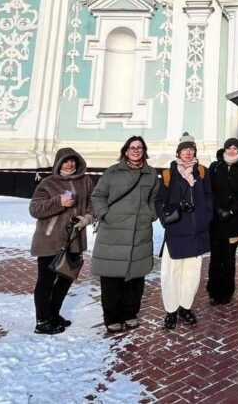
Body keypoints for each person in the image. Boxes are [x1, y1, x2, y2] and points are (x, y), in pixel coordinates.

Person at [91, 137, 159, 333]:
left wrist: (150, 214)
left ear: (144, 151)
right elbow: (98, 196)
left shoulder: (150, 174)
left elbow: (153, 198)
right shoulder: (113, 172)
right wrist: (105, 214)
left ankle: (130, 313)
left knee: (136, 277)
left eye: (140, 148)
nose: (136, 151)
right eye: (132, 147)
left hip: (140, 231)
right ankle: (112, 316)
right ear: (126, 151)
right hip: (114, 231)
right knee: (112, 278)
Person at [29, 148, 94, 335]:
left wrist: (88, 217)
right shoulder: (48, 183)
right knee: (46, 282)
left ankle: (53, 314)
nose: (69, 164)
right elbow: (35, 209)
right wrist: (59, 202)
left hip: (74, 240)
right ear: (59, 163)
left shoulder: (86, 181)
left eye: (73, 161)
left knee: (65, 279)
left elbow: (92, 202)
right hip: (50, 241)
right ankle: (42, 320)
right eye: (66, 161)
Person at [155, 132, 213, 329]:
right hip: (176, 231)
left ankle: (185, 307)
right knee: (170, 273)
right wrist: (165, 220)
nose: (188, 153)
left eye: (191, 149)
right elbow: (159, 200)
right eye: (184, 149)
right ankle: (171, 310)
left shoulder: (203, 172)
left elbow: (209, 197)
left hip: (196, 231)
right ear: (178, 152)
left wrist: (205, 217)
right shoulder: (168, 174)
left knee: (192, 273)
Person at [207, 137, 238, 305]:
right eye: (229, 148)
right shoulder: (215, 167)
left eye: (235, 148)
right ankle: (213, 291)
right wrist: (218, 209)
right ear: (224, 149)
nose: (232, 151)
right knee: (216, 257)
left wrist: (231, 210)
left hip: (233, 221)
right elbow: (210, 190)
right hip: (216, 221)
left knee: (229, 258)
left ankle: (227, 292)